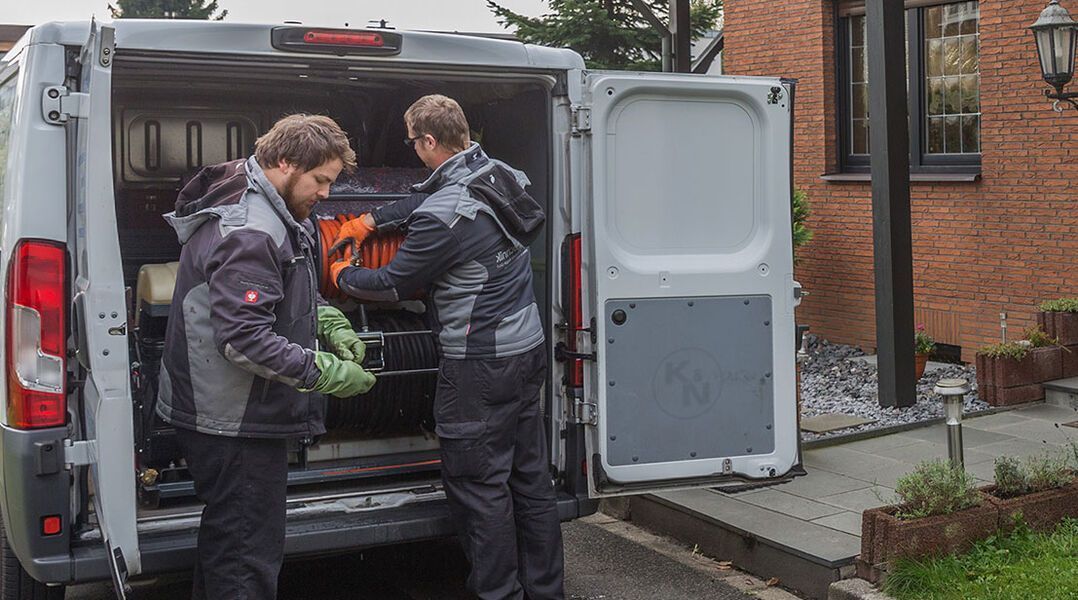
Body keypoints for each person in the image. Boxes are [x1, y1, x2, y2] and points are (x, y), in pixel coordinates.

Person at [331, 94, 563, 600]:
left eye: (414, 142)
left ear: (429, 140)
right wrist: (373, 220)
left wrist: (343, 275)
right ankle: (546, 592)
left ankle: (498, 594)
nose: (413, 149)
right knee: (530, 482)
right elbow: (435, 193)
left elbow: (392, 284)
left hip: (479, 366)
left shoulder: (443, 221)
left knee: (480, 491)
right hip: (526, 351)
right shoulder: (503, 173)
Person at [156, 114, 376, 600]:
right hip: (234, 419)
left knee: (228, 545)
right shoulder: (251, 229)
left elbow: (281, 291)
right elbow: (244, 339)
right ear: (284, 162)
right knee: (245, 562)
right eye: (320, 180)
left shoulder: (271, 208)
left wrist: (326, 319)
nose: (325, 193)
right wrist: (321, 371)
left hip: (229, 411)